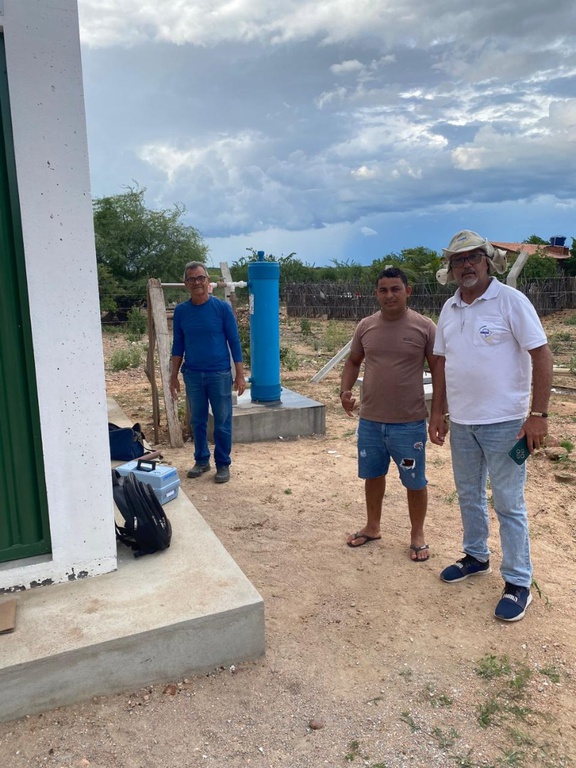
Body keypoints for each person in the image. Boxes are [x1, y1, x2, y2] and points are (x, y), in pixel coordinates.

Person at [428, 230, 553, 622]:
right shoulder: (449, 309)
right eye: (457, 260)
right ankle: (476, 556)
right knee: (468, 494)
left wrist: (539, 415)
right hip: (463, 423)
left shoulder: (510, 301)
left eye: (472, 258)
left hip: (506, 424)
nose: (465, 265)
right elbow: (443, 366)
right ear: (449, 268)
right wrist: (438, 412)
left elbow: (542, 355)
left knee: (508, 503)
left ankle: (518, 582)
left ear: (487, 261)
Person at [341, 267, 440, 561]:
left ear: (408, 291)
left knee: (414, 480)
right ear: (376, 294)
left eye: (395, 289)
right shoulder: (366, 326)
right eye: (383, 290)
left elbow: (439, 370)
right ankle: (372, 527)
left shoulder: (424, 327)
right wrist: (345, 391)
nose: (389, 295)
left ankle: (417, 535)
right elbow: (354, 360)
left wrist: (439, 413)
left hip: (409, 423)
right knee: (373, 475)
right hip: (370, 420)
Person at [170, 262, 246, 484]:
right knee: (198, 420)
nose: (197, 283)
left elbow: (234, 342)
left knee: (222, 421)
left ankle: (223, 464)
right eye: (192, 279)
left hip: (220, 374)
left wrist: (239, 374)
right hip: (192, 374)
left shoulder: (221, 309)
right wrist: (173, 376)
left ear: (208, 281)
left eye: (201, 278)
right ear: (186, 284)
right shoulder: (182, 311)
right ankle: (201, 460)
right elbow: (178, 346)